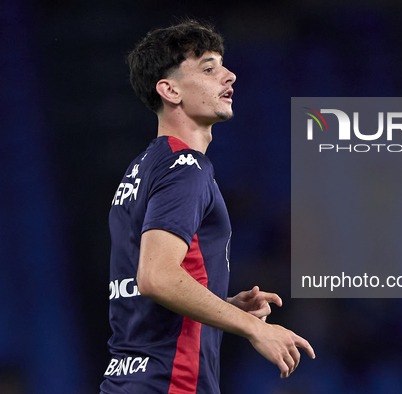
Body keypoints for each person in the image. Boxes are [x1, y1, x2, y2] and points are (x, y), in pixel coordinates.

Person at [100, 20, 315, 394]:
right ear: (169, 90)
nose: (229, 76)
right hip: (170, 384)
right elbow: (155, 277)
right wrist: (254, 328)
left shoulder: (143, 168)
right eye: (209, 68)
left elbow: (146, 284)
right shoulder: (187, 168)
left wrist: (225, 305)